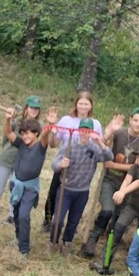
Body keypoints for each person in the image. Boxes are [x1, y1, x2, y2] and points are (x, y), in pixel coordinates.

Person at [82, 107, 139, 258]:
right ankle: (92, 239)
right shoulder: (119, 133)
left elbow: (137, 167)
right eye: (135, 120)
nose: (137, 124)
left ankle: (107, 249)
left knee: (117, 219)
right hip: (110, 180)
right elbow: (102, 144)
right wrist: (110, 131)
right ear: (130, 120)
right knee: (107, 211)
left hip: (127, 186)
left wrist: (114, 165)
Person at [48, 117, 117, 252]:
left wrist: (100, 143)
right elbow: (54, 165)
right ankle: (53, 241)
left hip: (82, 191)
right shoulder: (69, 145)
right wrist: (61, 164)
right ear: (78, 130)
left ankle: (67, 243)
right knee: (58, 220)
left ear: (92, 132)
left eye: (88, 131)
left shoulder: (94, 148)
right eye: (82, 130)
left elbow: (109, 157)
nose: (84, 134)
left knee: (74, 221)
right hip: (65, 189)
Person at [95, 137, 139, 275]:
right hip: (132, 206)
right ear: (136, 158)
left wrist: (123, 192)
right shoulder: (133, 168)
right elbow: (127, 180)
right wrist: (120, 192)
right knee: (118, 227)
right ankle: (104, 261)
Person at [2, 106, 57, 257]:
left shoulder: (40, 146)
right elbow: (8, 133)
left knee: (24, 215)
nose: (25, 136)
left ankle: (24, 249)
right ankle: (19, 237)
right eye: (23, 133)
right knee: (16, 213)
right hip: (16, 184)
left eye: (28, 133)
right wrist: (7, 119)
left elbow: (45, 136)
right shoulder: (20, 143)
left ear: (36, 133)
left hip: (30, 188)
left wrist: (50, 124)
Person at [44, 91, 103, 231]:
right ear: (76, 104)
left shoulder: (95, 124)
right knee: (54, 192)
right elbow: (53, 144)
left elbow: (99, 145)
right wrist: (52, 131)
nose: (83, 106)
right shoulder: (66, 120)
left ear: (91, 106)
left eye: (86, 104)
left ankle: (72, 224)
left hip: (83, 166)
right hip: (65, 162)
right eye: (80, 103)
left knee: (77, 197)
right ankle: (48, 220)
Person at [0, 95, 42, 225]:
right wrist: (8, 119)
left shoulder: (38, 127)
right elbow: (6, 135)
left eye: (36, 108)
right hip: (7, 158)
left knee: (16, 188)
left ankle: (12, 216)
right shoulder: (16, 122)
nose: (33, 110)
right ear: (26, 108)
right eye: (31, 107)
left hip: (22, 163)